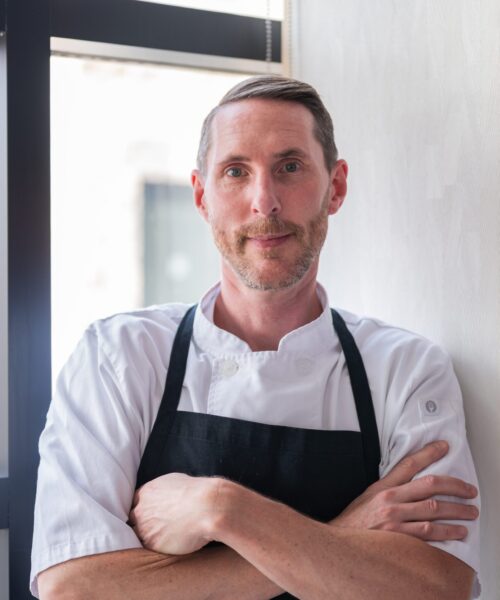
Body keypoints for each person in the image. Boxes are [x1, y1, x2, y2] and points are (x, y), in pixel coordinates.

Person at [32, 76, 480, 599]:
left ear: (335, 187)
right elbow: (73, 587)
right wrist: (346, 532)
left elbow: (439, 587)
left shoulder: (406, 369)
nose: (264, 202)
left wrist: (224, 509)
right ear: (202, 196)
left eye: (289, 167)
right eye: (235, 172)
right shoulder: (118, 357)